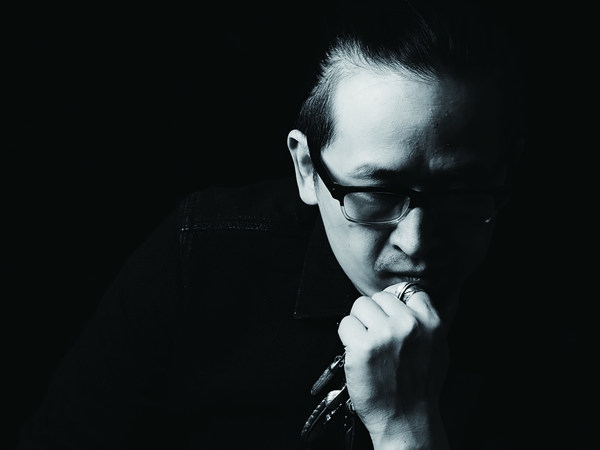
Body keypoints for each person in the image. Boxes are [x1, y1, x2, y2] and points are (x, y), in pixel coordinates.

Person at [16, 0, 526, 448]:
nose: (417, 242)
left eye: (463, 194)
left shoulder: (546, 325)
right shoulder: (201, 258)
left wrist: (406, 428)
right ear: (307, 170)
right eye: (377, 194)